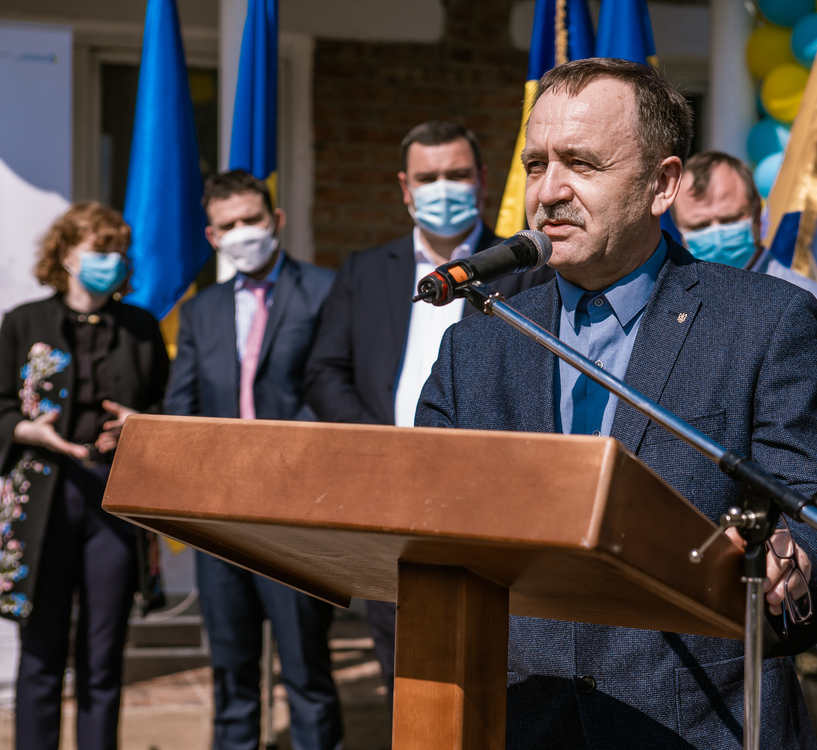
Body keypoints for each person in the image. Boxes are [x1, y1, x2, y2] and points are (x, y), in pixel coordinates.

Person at [415, 57, 817, 750]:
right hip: (523, 719)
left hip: (697, 719)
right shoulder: (480, 341)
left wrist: (790, 547)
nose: (549, 191)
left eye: (581, 164)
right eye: (536, 165)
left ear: (662, 184)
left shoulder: (764, 320)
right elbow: (423, 513)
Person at [303, 120, 552, 706]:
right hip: (387, 495)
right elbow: (324, 371)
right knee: (408, 678)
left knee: (498, 675)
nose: (444, 188)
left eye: (457, 174)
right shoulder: (366, 270)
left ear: (483, 180)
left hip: (488, 499)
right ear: (405, 187)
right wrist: (381, 447)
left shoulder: (527, 265)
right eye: (428, 177)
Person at [164, 170, 343, 750]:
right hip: (220, 516)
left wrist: (279, 459)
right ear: (212, 237)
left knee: (306, 668)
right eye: (229, 224)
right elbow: (183, 405)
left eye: (252, 219)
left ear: (276, 221)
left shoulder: (326, 290)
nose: (243, 232)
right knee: (231, 669)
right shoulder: (202, 311)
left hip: (296, 513)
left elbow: (332, 390)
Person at [0, 203, 168, 750]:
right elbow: (1, 405)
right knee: (41, 651)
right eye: (99, 250)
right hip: (45, 496)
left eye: (118, 251)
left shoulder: (141, 327)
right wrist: (29, 430)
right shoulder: (23, 322)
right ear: (67, 254)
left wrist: (139, 426)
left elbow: (163, 407)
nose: (111, 261)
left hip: (114, 499)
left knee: (104, 650)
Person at [670, 149, 817, 317]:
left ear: (756, 211)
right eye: (700, 226)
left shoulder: (816, 305)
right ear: (679, 227)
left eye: (729, 220)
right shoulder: (669, 301)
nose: (717, 236)